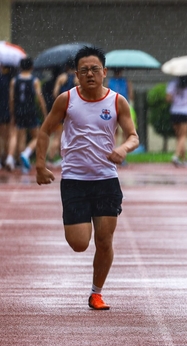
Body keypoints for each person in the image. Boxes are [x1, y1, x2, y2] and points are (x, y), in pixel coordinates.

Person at [35, 46, 139, 310]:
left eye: (94, 69)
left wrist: (123, 149)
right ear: (76, 74)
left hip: (106, 179)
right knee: (80, 243)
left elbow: (133, 136)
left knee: (104, 241)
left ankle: (96, 293)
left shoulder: (117, 101)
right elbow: (45, 130)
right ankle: (82, 224)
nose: (90, 74)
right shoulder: (66, 99)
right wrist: (40, 166)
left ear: (104, 72)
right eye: (84, 70)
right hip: (75, 180)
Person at [8, 57, 47, 173]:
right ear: (31, 67)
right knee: (37, 137)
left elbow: (11, 99)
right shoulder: (34, 81)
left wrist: (12, 113)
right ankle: (26, 153)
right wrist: (44, 113)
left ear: (20, 67)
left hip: (18, 111)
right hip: (30, 111)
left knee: (17, 136)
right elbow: (40, 98)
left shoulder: (14, 81)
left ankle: (12, 159)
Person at [166, 75, 187, 167]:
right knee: (183, 136)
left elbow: (168, 98)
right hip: (185, 111)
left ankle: (184, 159)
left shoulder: (172, 84)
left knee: (179, 137)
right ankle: (176, 156)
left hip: (175, 111)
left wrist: (176, 97)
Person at [0, 65, 15, 169]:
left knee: (1, 136)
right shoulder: (11, 79)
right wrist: (12, 111)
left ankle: (2, 159)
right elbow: (11, 98)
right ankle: (7, 157)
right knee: (8, 135)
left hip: (1, 109)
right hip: (6, 110)